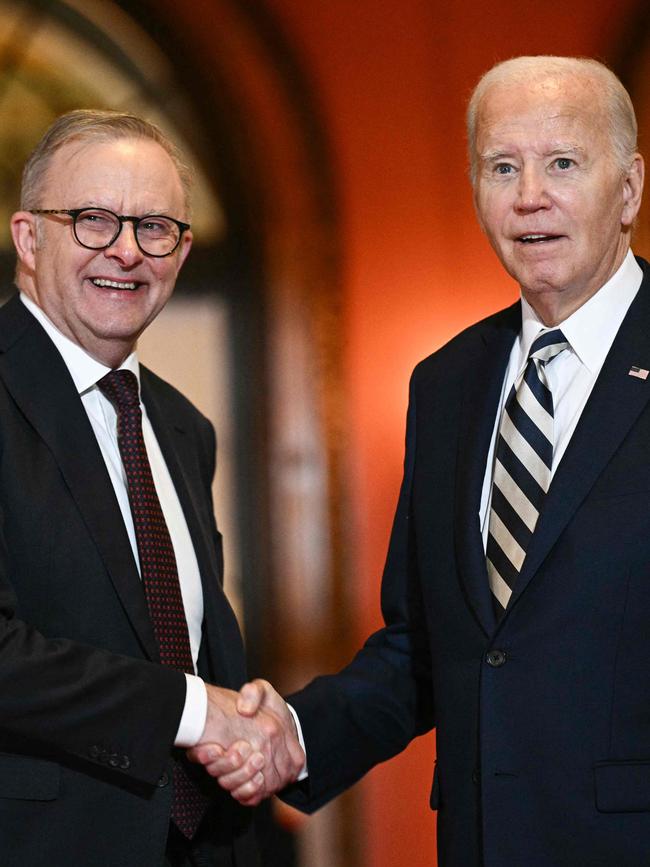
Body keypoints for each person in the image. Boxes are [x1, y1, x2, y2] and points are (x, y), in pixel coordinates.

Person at [192, 56, 650, 866]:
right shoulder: (446, 383)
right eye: (501, 167)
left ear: (630, 189)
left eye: (563, 164)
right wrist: (292, 735)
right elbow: (423, 649)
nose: (529, 195)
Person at [0, 109, 303, 867]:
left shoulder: (180, 426)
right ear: (29, 237)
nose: (127, 251)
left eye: (155, 227)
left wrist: (257, 725)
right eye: (94, 220)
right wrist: (199, 712)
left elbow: (191, 642)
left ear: (184, 248)